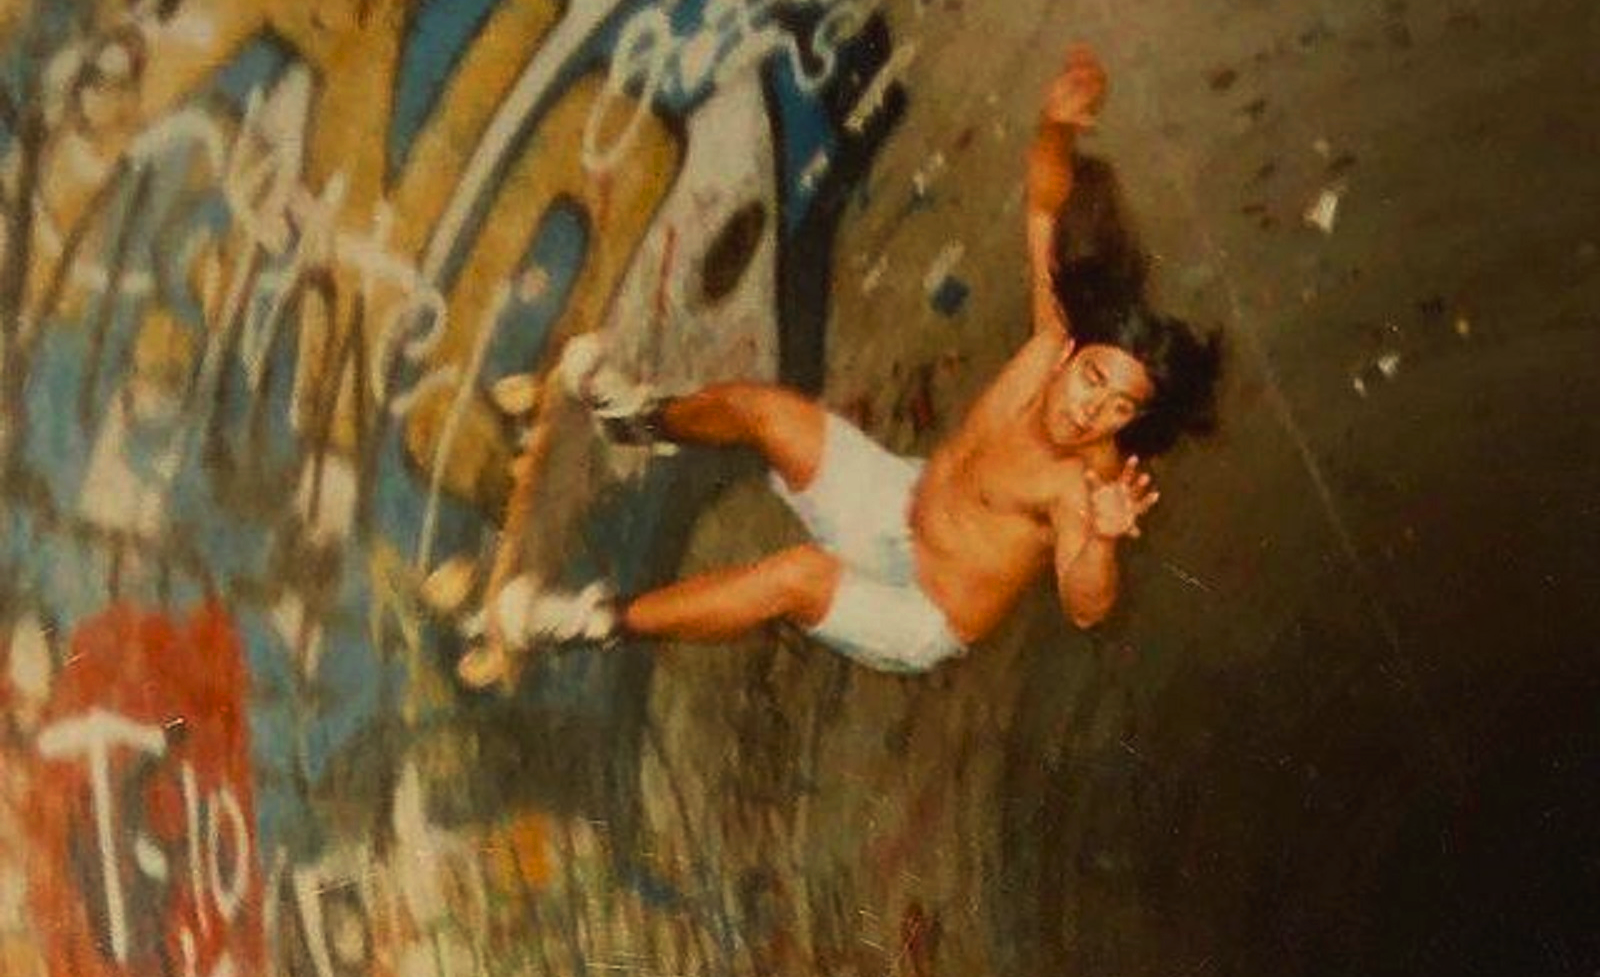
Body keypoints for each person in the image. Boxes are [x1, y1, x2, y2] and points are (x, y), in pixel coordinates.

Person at [464, 46, 1221, 678]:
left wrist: (1102, 537)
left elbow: (1088, 607)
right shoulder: (1049, 342)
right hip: (899, 504)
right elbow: (1044, 208)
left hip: (922, 609)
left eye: (1120, 407)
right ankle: (634, 420)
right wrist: (1054, 128)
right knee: (766, 413)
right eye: (1094, 380)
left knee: (795, 577)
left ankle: (585, 622)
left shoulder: (1085, 484)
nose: (1092, 409)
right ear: (1077, 353)